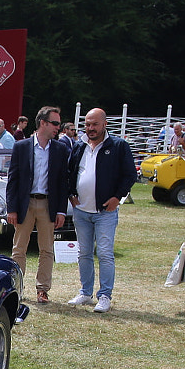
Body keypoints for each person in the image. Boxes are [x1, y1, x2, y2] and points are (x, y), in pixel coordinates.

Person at [65, 107, 138, 312]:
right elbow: (70, 172)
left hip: (105, 212)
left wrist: (117, 197)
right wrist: (71, 193)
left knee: (105, 253)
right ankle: (86, 292)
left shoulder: (118, 146)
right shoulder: (79, 147)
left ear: (104, 124)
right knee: (84, 253)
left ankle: (104, 296)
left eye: (95, 124)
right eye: (87, 124)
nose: (90, 128)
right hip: (81, 211)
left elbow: (130, 175)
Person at [5, 105, 69, 305]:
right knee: (19, 249)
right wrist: (12, 208)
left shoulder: (60, 149)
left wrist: (61, 210)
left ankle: (43, 290)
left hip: (48, 205)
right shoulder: (21, 147)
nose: (58, 127)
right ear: (43, 123)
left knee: (46, 249)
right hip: (25, 204)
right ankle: (17, 287)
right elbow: (12, 180)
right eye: (55, 123)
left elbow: (62, 182)